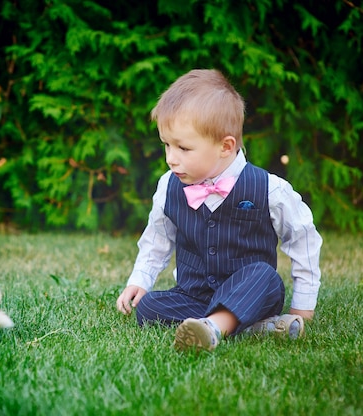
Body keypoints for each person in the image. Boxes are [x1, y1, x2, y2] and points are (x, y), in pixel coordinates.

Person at [116, 69, 322, 352]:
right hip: (195, 296)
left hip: (253, 293)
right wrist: (140, 280)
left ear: (225, 146)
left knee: (264, 275)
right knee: (149, 308)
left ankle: (213, 328)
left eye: (183, 148)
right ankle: (256, 328)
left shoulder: (269, 189)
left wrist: (303, 305)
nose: (171, 159)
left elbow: (302, 239)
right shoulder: (168, 186)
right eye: (166, 145)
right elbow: (157, 239)